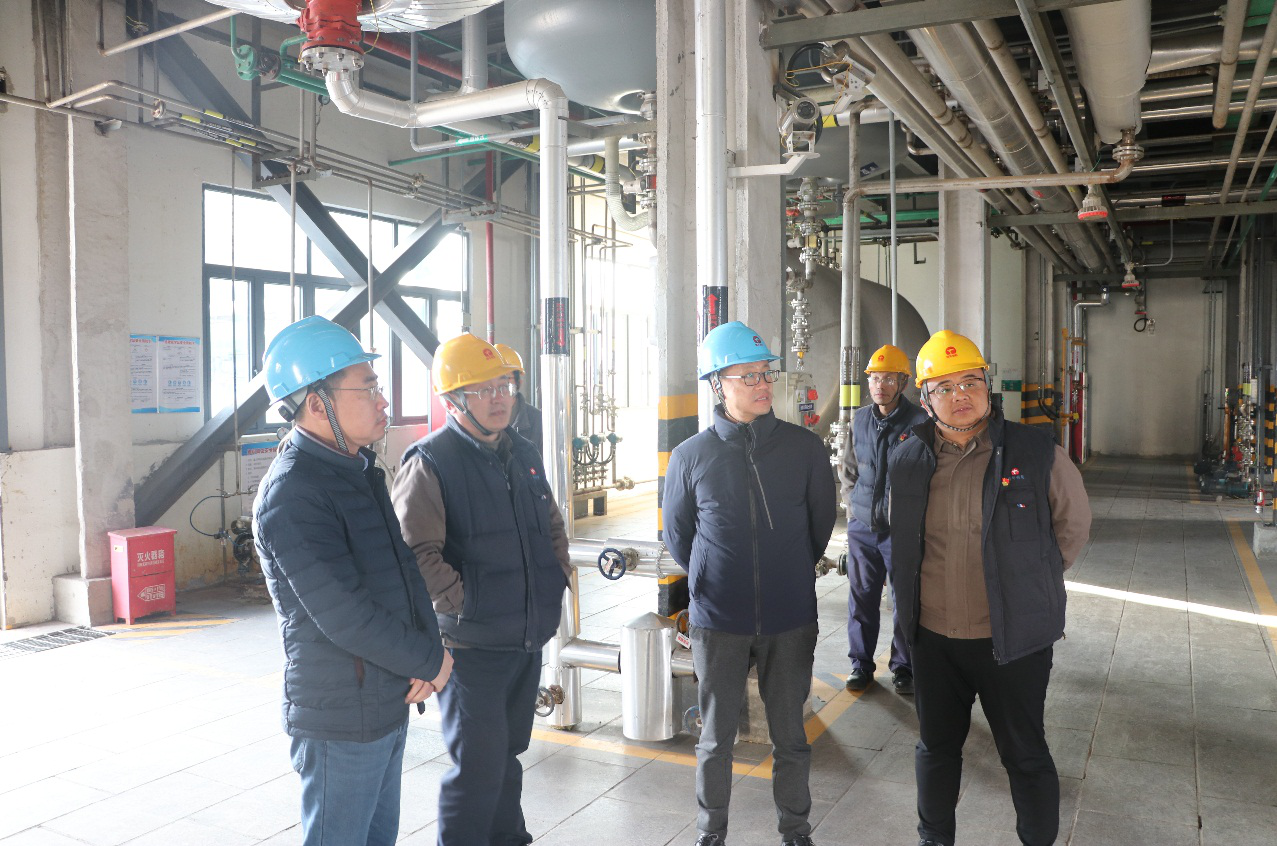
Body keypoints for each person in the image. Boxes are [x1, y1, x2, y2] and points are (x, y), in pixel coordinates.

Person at [253, 315, 453, 846]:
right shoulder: (292, 494)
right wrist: (428, 660)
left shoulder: (358, 470)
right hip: (340, 717)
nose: (383, 402)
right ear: (317, 404)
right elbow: (345, 615)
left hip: (383, 699)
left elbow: (404, 573)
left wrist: (429, 651)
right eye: (368, 389)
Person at [887, 330, 1091, 846]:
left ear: (987, 386)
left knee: (1025, 754)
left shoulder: (1036, 451)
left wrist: (1026, 584)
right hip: (933, 639)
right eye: (945, 387)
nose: (960, 395)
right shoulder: (907, 457)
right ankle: (934, 838)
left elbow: (1071, 530)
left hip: (1014, 641)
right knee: (936, 750)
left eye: (970, 382)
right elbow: (901, 541)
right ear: (925, 398)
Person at [391, 332, 571, 846]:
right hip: (470, 647)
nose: (499, 399)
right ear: (453, 400)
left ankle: (509, 839)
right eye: (483, 390)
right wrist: (469, 604)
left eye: (505, 386)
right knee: (476, 766)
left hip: (524, 635)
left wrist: (555, 575)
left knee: (506, 755)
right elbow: (415, 555)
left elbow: (551, 524)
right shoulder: (430, 461)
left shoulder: (523, 451)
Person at [663, 321, 837, 846]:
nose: (763, 385)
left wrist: (787, 570)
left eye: (766, 374)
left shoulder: (804, 449)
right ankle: (710, 833)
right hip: (720, 618)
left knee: (791, 737)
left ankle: (796, 832)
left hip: (790, 617)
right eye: (749, 376)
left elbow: (819, 528)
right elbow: (680, 537)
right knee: (715, 739)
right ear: (718, 384)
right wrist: (715, 575)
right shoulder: (691, 456)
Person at [839, 344, 928, 695]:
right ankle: (860, 665)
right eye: (875, 378)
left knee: (904, 599)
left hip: (901, 530)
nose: (880, 385)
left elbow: (927, 474)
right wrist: (854, 507)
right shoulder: (860, 419)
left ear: (903, 382)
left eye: (889, 378)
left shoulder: (920, 423)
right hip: (863, 527)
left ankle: (903, 666)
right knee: (861, 597)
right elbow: (848, 469)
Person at [495, 342, 544, 452]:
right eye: (492, 380)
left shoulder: (537, 422)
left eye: (505, 379)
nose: (498, 386)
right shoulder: (481, 418)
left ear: (519, 382)